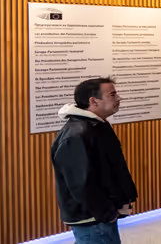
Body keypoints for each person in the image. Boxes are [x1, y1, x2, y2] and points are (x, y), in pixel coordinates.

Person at [51, 78, 137, 243]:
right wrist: (106, 213)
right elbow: (81, 184)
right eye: (112, 94)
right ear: (93, 101)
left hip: (100, 215)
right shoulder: (77, 135)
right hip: (92, 218)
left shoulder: (96, 125)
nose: (118, 98)